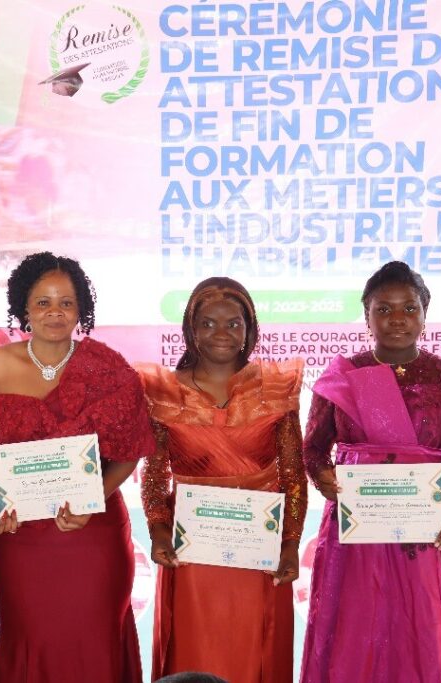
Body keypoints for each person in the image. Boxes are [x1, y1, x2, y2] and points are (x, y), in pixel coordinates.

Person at [0, 252, 155, 682]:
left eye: (66, 302)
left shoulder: (109, 367)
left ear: (80, 309)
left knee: (94, 643)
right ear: (24, 307)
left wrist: (93, 500)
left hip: (94, 534)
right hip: (21, 535)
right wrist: (6, 498)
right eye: (43, 302)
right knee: (30, 638)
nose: (54, 312)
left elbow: (130, 451)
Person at [299, 261, 441, 683]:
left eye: (409, 308)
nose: (397, 319)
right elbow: (312, 448)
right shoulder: (344, 375)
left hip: (430, 529)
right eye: (383, 309)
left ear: (424, 314)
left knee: (426, 633)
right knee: (356, 630)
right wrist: (323, 478)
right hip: (357, 530)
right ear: (366, 316)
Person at [138, 277, 305, 682]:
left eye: (233, 323)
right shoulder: (162, 393)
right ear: (191, 328)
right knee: (196, 656)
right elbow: (155, 473)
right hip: (192, 556)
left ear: (249, 328)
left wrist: (290, 545)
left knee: (254, 658)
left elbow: (293, 475)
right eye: (208, 323)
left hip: (260, 554)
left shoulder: (275, 388)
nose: (221, 333)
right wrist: (158, 531)